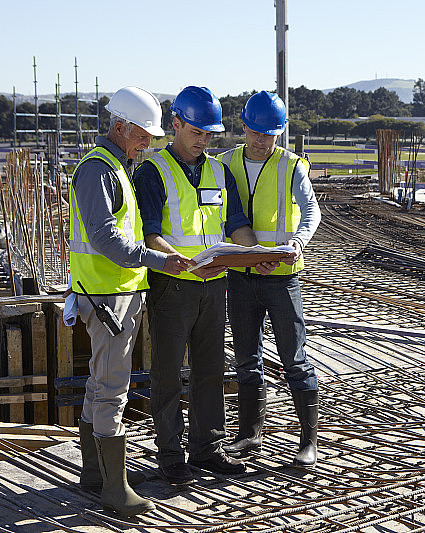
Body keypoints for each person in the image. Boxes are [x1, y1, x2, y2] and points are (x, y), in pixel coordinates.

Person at [133, 86, 268, 485]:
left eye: (210, 133)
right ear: (175, 123)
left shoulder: (218, 171)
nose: (204, 139)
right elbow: (150, 235)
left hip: (215, 285)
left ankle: (208, 449)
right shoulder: (152, 172)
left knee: (210, 370)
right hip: (173, 285)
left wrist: (256, 254)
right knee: (168, 373)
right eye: (197, 131)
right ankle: (171, 454)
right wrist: (185, 266)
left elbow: (236, 224)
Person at [70, 86, 192, 517]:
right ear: (119, 127)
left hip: (115, 292)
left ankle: (96, 473)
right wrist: (160, 260)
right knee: (111, 391)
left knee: (99, 384)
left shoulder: (117, 166)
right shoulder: (98, 170)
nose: (148, 144)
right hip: (107, 296)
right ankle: (113, 489)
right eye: (143, 136)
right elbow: (106, 239)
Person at [219, 91, 321, 467]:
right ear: (243, 127)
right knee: (247, 359)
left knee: (294, 359)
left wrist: (297, 241)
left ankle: (307, 442)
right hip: (241, 278)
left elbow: (311, 210)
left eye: (271, 134)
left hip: (282, 278)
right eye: (257, 133)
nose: (263, 141)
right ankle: (249, 435)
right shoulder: (224, 162)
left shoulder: (291, 165)